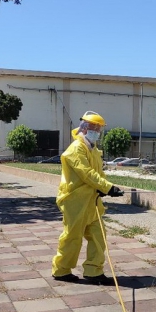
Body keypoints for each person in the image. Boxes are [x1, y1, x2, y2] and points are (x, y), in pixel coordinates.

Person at [51, 111, 124, 285]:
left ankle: (93, 271)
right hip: (75, 201)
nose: (97, 131)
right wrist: (107, 187)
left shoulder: (93, 150)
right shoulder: (76, 149)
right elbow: (86, 173)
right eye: (93, 128)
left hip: (91, 201)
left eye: (99, 129)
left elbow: (98, 174)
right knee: (72, 237)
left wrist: (104, 188)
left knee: (99, 236)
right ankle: (61, 270)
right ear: (83, 127)